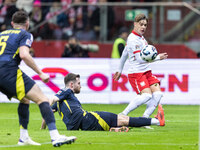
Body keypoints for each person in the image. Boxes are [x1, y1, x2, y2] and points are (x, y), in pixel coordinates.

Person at [0, 11, 76, 147]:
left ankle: (23, 138)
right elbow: (24, 55)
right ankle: (55, 137)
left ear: (12, 24)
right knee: (43, 100)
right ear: (27, 23)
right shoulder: (25, 34)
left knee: (25, 99)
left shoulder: (2, 34)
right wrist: (40, 73)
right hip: (8, 70)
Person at [41, 73, 165, 132]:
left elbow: (48, 112)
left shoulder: (62, 100)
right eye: (79, 84)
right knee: (124, 119)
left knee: (121, 120)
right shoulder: (67, 91)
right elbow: (51, 99)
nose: (81, 86)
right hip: (89, 119)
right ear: (72, 84)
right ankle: (157, 121)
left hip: (85, 123)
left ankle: (115, 129)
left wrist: (43, 129)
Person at [113, 14, 168, 119]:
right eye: (141, 24)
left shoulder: (141, 38)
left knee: (158, 95)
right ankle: (123, 114)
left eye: (145, 25)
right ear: (135, 24)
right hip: (136, 73)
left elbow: (125, 53)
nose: (143, 27)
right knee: (146, 96)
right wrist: (157, 57)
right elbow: (139, 59)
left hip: (146, 71)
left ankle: (144, 118)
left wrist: (119, 70)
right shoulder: (133, 39)